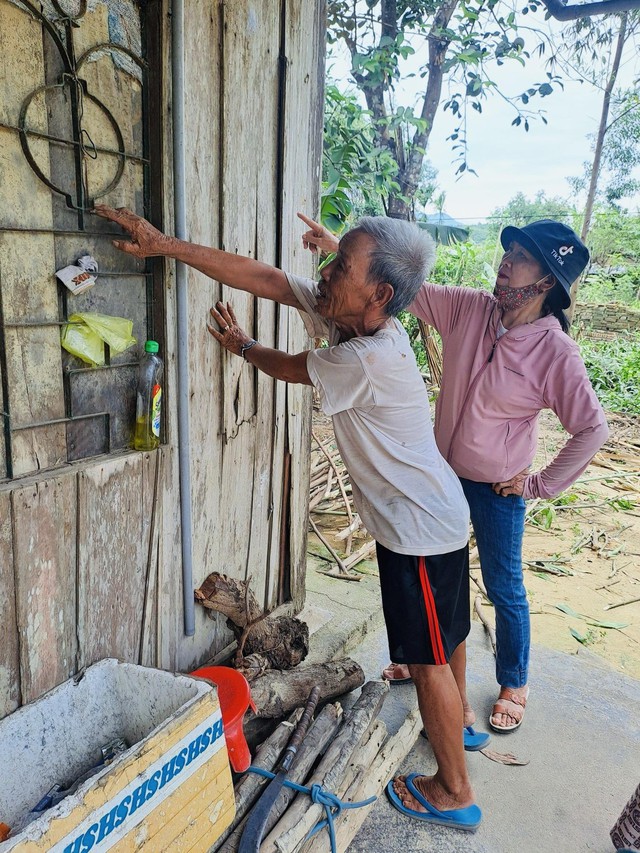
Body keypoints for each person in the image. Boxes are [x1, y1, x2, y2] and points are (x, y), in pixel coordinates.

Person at [94, 204, 483, 831]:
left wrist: (245, 347)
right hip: (435, 516)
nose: (324, 272)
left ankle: (454, 790)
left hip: (417, 531)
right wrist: (169, 245)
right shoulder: (357, 321)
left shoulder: (364, 358)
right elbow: (271, 280)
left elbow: (288, 367)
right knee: (446, 636)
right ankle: (459, 724)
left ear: (380, 294)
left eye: (340, 265)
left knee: (427, 658)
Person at [299, 213, 609, 734]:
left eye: (521, 258)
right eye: (508, 252)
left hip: (495, 488)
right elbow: (404, 288)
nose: (506, 263)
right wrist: (340, 249)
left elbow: (592, 429)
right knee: (439, 579)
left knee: (503, 586)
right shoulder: (470, 308)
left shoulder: (555, 352)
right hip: (437, 478)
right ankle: (423, 659)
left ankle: (514, 681)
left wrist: (538, 485)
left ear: (546, 283)